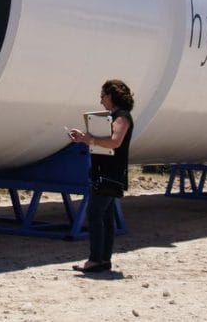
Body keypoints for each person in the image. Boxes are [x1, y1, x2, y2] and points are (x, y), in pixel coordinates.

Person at [68, 79, 135, 273]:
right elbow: (103, 142)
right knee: (105, 217)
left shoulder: (122, 117)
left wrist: (88, 139)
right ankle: (103, 260)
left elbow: (114, 142)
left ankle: (96, 259)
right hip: (105, 173)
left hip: (109, 174)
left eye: (103, 96)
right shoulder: (115, 116)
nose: (101, 101)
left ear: (112, 96)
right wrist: (84, 139)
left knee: (95, 214)